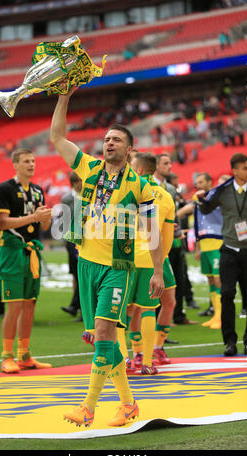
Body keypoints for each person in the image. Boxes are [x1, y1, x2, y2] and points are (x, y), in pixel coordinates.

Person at [50, 85, 164, 428]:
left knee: (103, 333)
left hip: (118, 268)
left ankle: (88, 407)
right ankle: (129, 405)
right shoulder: (90, 169)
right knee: (108, 341)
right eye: (106, 139)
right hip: (86, 264)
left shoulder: (140, 186)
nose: (109, 143)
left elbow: (153, 231)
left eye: (116, 139)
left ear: (130, 149)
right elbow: (57, 137)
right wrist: (64, 98)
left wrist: (157, 271)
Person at [0, 148, 53, 373]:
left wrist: (45, 219)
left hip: (31, 252)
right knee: (14, 306)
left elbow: (42, 226)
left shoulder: (38, 190)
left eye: (33, 161)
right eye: (26, 161)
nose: (31, 164)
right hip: (10, 251)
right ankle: (6, 356)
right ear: (15, 164)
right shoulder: (5, 188)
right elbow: (2, 222)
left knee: (30, 304)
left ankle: (24, 355)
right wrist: (34, 217)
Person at [196, 153, 247, 356]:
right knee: (227, 294)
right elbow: (206, 209)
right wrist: (201, 200)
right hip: (229, 249)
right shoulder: (223, 190)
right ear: (235, 170)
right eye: (245, 168)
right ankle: (229, 341)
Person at [125, 152, 175, 373]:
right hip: (150, 259)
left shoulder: (125, 190)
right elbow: (167, 237)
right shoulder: (165, 196)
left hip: (123, 258)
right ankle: (146, 362)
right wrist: (159, 262)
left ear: (139, 170)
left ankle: (126, 360)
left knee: (121, 310)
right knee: (148, 308)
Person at [154, 153, 198, 325]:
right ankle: (159, 320)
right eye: (165, 163)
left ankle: (178, 315)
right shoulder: (148, 186)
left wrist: (177, 229)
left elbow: (172, 216)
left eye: (170, 162)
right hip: (157, 243)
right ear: (156, 166)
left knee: (178, 279)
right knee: (159, 283)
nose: (170, 166)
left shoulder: (171, 189)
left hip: (174, 240)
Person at [193, 172, 223, 329]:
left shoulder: (216, 196)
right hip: (204, 244)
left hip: (217, 242)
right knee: (211, 279)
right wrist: (197, 248)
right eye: (197, 182)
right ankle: (215, 314)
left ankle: (220, 316)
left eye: (201, 182)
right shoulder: (197, 199)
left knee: (218, 280)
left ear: (210, 182)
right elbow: (199, 222)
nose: (198, 185)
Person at [60, 172, 82, 319]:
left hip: (87, 239)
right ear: (74, 183)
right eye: (80, 180)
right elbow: (66, 220)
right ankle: (77, 307)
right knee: (75, 273)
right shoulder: (67, 198)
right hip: (73, 240)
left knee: (82, 274)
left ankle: (76, 307)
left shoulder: (90, 195)